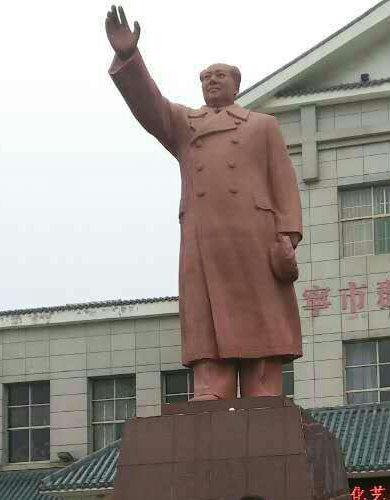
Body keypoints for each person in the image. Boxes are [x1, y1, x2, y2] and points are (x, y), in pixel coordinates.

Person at [104, 5, 303, 401]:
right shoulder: (185, 124)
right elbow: (150, 106)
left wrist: (288, 234)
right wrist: (129, 57)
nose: (212, 80)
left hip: (254, 234)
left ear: (236, 84)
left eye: (220, 75)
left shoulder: (262, 125)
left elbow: (283, 182)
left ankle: (263, 385)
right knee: (204, 311)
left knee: (261, 310)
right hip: (203, 234)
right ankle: (212, 385)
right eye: (205, 77)